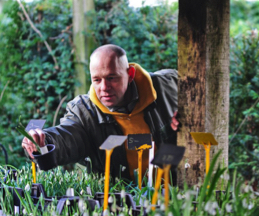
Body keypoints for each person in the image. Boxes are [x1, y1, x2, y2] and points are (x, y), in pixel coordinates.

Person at [22, 44, 179, 183]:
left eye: (112, 78)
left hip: (176, 194)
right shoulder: (84, 112)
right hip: (121, 201)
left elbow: (200, 95)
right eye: (97, 80)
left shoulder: (169, 86)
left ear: (130, 74)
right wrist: (44, 141)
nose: (104, 87)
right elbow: (68, 136)